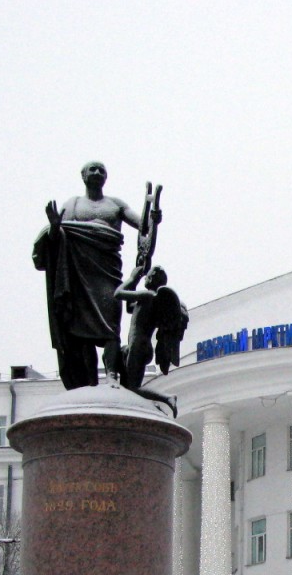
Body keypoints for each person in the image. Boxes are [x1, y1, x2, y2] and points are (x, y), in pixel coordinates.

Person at [31, 162, 161, 389]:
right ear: (82, 176)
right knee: (83, 333)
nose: (97, 173)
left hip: (107, 272)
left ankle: (111, 376)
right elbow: (57, 237)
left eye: (101, 170)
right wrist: (53, 226)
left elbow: (143, 227)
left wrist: (153, 218)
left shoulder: (115, 205)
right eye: (92, 169)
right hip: (79, 274)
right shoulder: (72, 205)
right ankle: (90, 382)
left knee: (111, 327)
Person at [114, 265, 188, 415]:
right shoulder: (146, 300)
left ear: (152, 278)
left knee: (133, 388)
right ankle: (152, 406)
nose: (145, 278)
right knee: (127, 387)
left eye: (147, 276)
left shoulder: (148, 296)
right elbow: (129, 307)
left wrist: (133, 278)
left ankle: (167, 398)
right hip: (139, 346)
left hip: (139, 345)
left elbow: (118, 294)